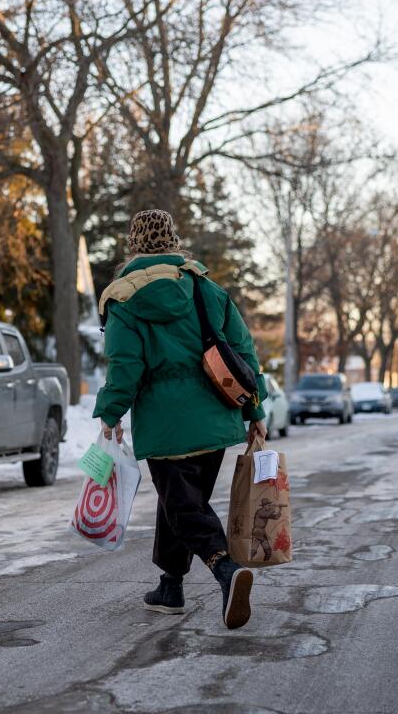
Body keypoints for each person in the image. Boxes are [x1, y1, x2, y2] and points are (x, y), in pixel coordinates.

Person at [93, 209, 268, 630]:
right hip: (215, 417)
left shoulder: (123, 300)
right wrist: (254, 410)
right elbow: (243, 352)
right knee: (182, 505)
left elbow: (125, 367)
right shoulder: (206, 288)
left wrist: (110, 413)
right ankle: (170, 587)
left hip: (166, 424)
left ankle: (226, 569)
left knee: (183, 507)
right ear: (173, 241)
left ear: (133, 246)